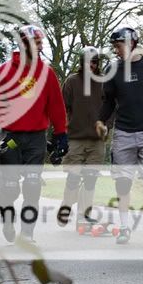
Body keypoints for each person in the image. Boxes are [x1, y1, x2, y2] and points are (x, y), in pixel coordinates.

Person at [0, 25, 68, 243]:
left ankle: (27, 232)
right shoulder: (6, 70)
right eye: (35, 42)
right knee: (10, 188)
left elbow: (56, 106)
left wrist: (61, 133)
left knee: (32, 185)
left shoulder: (46, 73)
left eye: (40, 42)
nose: (40, 45)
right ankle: (7, 218)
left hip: (36, 137)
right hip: (8, 138)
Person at [96, 27, 143, 244]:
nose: (115, 51)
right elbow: (108, 102)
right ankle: (124, 227)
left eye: (118, 46)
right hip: (123, 133)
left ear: (131, 44)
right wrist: (100, 121)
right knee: (122, 183)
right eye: (114, 47)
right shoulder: (113, 70)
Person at [57, 46, 106, 231]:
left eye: (94, 62)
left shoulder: (103, 82)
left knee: (91, 179)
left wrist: (106, 124)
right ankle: (66, 206)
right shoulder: (72, 81)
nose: (91, 65)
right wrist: (64, 128)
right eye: (87, 62)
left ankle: (84, 216)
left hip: (97, 139)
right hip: (76, 138)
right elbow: (62, 107)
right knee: (73, 177)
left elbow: (110, 106)